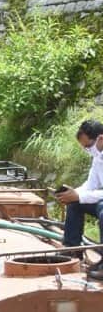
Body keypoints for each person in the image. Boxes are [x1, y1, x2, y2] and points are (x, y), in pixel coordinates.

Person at [55, 118, 103, 277]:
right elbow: (90, 185)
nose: (88, 150)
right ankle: (72, 251)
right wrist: (72, 194)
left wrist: (79, 196)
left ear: (101, 139)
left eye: (88, 146)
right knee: (75, 203)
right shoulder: (98, 159)